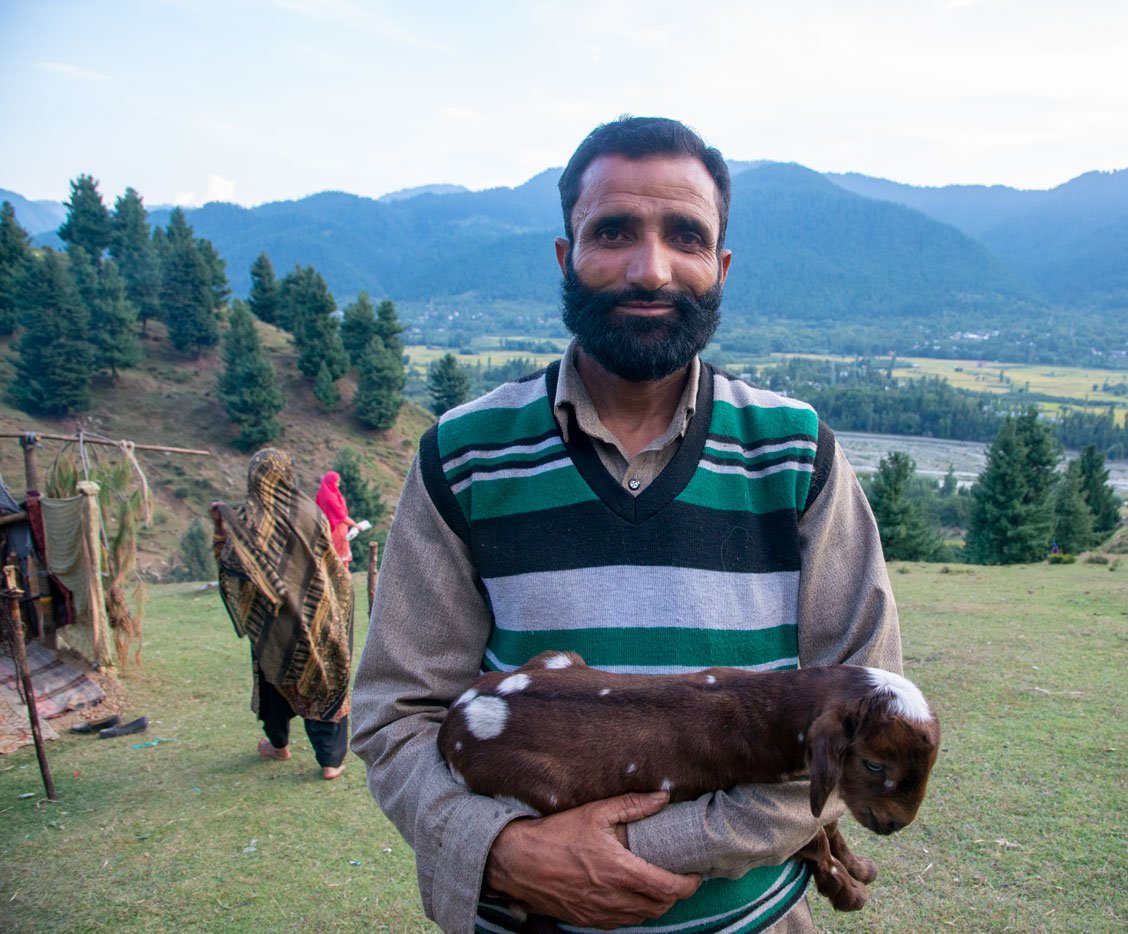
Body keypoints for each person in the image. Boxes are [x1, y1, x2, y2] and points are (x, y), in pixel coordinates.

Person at [351, 117, 903, 933]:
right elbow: (396, 715)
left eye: (684, 236)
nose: (651, 269)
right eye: (612, 232)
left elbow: (866, 718)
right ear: (565, 255)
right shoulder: (463, 458)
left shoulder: (797, 454)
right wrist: (504, 850)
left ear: (718, 268)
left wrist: (630, 849)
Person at [212, 448, 355, 781]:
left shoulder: (250, 519)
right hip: (319, 613)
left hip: (273, 624)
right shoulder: (308, 509)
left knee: (273, 679)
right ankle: (330, 761)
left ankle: (279, 745)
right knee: (324, 677)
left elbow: (231, 566)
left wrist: (222, 528)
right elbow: (327, 560)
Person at [315, 471, 355, 568]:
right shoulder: (331, 497)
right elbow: (340, 515)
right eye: (336, 482)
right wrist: (355, 525)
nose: (338, 484)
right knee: (340, 557)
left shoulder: (321, 494)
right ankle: (344, 579)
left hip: (327, 527)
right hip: (337, 529)